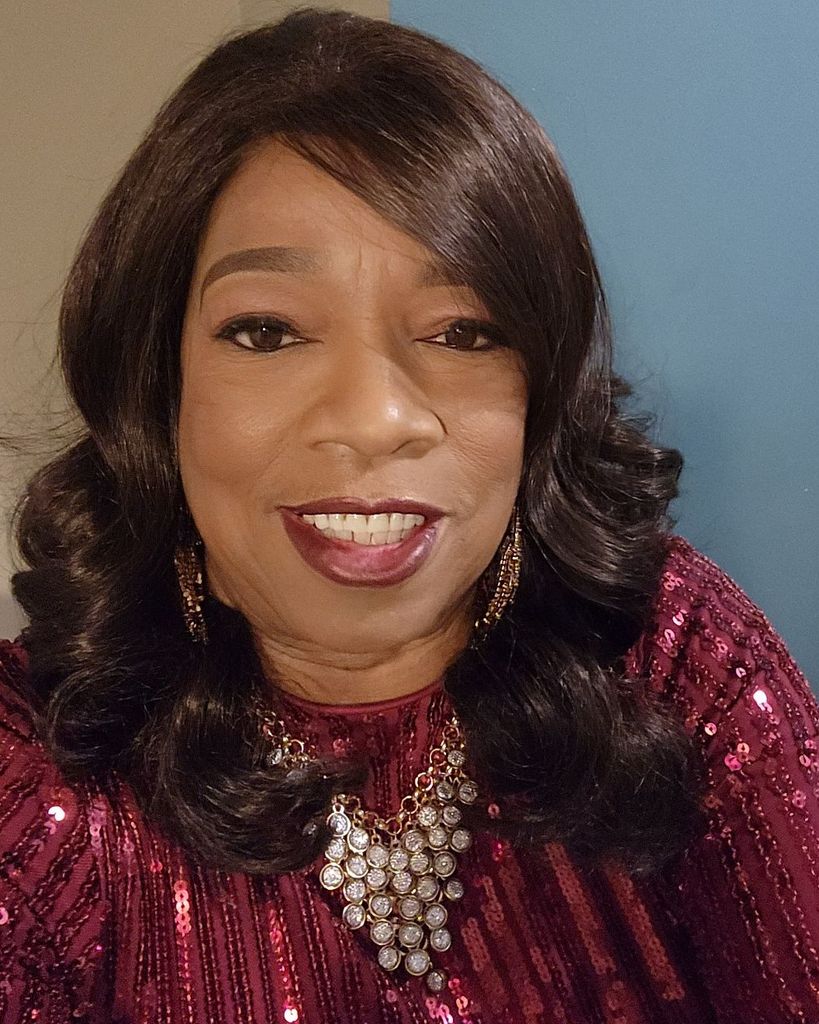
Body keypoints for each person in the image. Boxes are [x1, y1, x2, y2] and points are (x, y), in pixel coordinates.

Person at [0, 8, 816, 1023]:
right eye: (267, 331)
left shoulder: (673, 664)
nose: (374, 419)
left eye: (462, 331)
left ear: (541, 387)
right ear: (157, 384)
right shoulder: (41, 771)